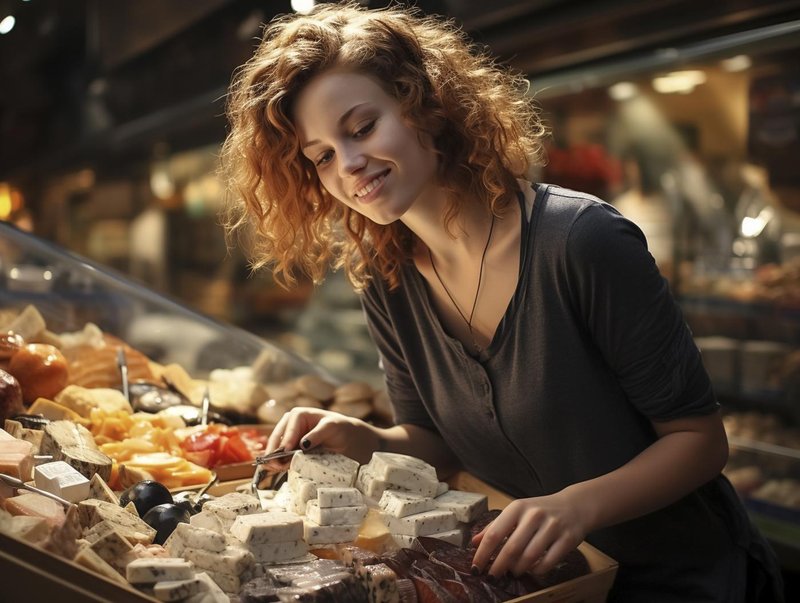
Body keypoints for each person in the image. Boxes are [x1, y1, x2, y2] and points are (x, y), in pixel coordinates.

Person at [220, 3, 783, 601]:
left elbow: (700, 442)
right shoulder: (386, 281)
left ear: (426, 106)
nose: (349, 163)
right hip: (542, 588)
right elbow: (433, 445)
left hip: (681, 582)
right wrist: (366, 440)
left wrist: (575, 508)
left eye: (361, 127)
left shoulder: (581, 242)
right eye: (323, 156)